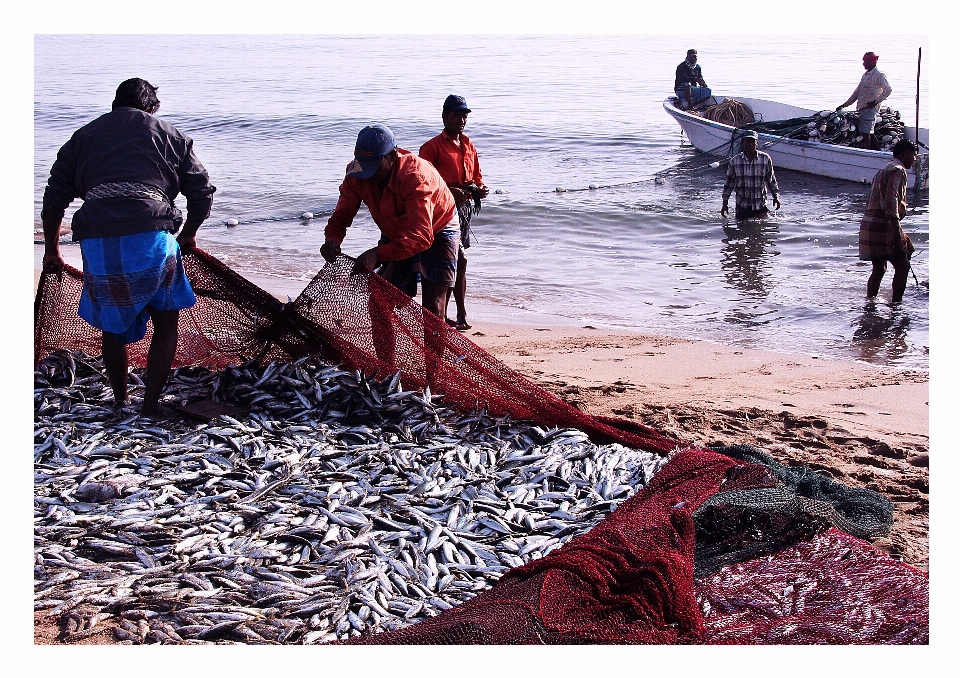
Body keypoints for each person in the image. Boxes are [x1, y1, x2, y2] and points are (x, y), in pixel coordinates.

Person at [41, 78, 216, 417]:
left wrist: (52, 250)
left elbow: (54, 198)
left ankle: (121, 400)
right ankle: (150, 406)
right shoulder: (172, 135)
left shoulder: (83, 136)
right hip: (152, 237)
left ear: (114, 104)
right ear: (152, 108)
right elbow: (202, 193)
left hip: (99, 240)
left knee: (112, 323)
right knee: (166, 323)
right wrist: (189, 233)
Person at [320, 123, 459, 322]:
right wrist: (332, 240)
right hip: (395, 227)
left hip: (438, 226)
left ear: (392, 156)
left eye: (374, 167)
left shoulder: (415, 177)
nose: (368, 176)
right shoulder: (356, 174)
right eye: (364, 167)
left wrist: (377, 254)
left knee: (433, 309)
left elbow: (421, 236)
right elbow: (341, 216)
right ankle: (384, 355)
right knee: (378, 300)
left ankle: (432, 352)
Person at [419, 94, 489, 331]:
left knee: (456, 261)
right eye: (457, 114)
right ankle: (457, 314)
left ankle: (452, 314)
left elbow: (476, 176)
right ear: (444, 116)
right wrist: (451, 191)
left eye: (464, 115)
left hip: (463, 210)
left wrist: (480, 189)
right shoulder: (431, 147)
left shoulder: (468, 145)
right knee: (457, 260)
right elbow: (423, 184)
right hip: (441, 212)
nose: (461, 119)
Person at [859, 139, 917, 303]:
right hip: (883, 224)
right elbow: (892, 203)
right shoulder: (898, 170)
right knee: (903, 266)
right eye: (913, 155)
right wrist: (896, 232)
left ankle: (870, 304)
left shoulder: (885, 168)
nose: (914, 159)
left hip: (870, 223)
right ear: (905, 154)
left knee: (879, 269)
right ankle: (896, 306)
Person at [836, 51, 892, 150]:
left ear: (871, 63)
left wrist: (876, 101)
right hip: (862, 108)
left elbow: (888, 89)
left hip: (870, 109)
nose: (863, 64)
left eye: (865, 62)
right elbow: (856, 93)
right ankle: (878, 152)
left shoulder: (879, 75)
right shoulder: (865, 75)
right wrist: (844, 105)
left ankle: (865, 153)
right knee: (869, 132)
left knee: (866, 134)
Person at [721, 130, 782, 220]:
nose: (750, 144)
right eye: (747, 141)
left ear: (757, 143)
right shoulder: (735, 161)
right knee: (741, 231)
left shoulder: (765, 159)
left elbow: (771, 180)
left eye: (753, 141)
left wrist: (776, 197)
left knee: (760, 230)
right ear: (742, 143)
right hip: (742, 206)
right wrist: (724, 204)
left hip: (760, 205)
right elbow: (729, 184)